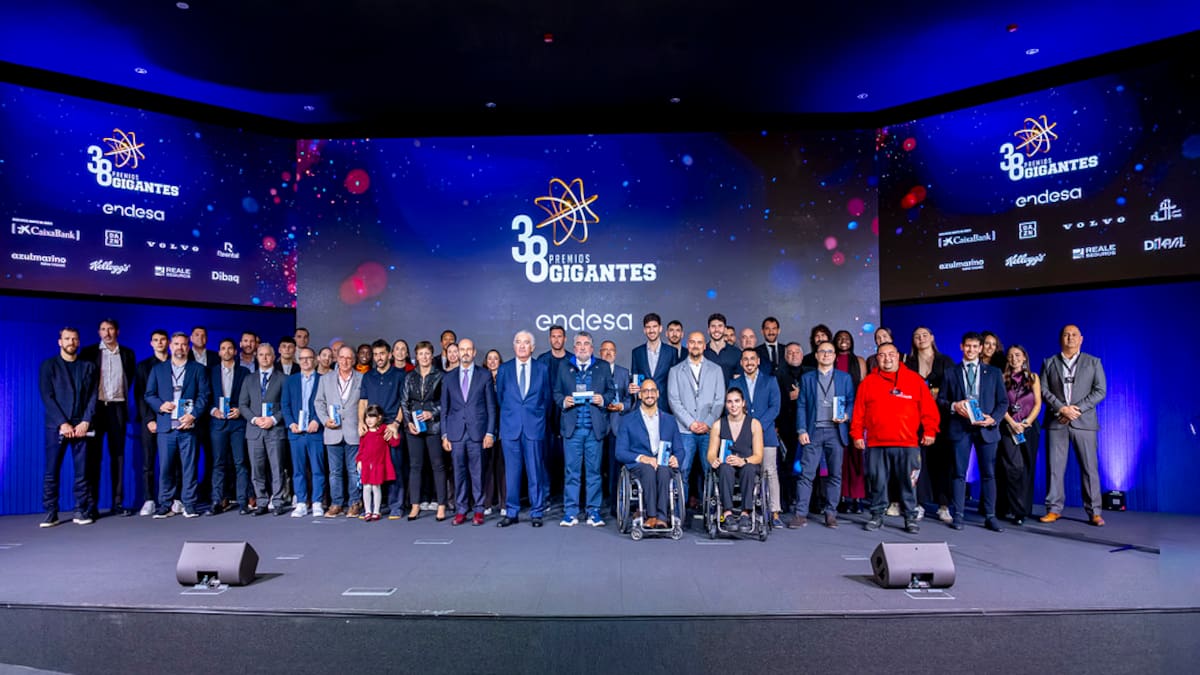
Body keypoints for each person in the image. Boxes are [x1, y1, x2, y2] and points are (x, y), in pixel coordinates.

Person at [850, 343, 939, 534]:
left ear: (898, 356)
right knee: (878, 481)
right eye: (882, 355)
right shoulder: (868, 382)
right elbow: (858, 412)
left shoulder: (914, 380)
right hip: (876, 443)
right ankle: (877, 516)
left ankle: (910, 517)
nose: (887, 358)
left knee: (908, 482)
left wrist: (930, 431)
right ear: (877, 358)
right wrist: (857, 434)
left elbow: (929, 409)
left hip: (908, 443)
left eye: (891, 354)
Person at [939, 332, 1008, 532]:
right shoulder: (951, 372)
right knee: (958, 473)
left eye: (975, 346)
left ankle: (990, 516)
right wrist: (954, 405)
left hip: (986, 428)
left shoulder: (993, 372)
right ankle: (958, 515)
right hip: (960, 428)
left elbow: (1003, 402)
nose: (971, 350)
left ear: (981, 349)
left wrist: (993, 418)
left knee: (988, 474)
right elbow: (941, 400)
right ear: (961, 347)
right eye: (967, 346)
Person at [1040, 325, 1107, 526]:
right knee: (1054, 468)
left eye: (1074, 335)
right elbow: (1043, 390)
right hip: (1057, 422)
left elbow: (1100, 390)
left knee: (1089, 468)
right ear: (1060, 338)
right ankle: (1053, 509)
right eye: (1066, 335)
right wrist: (1061, 409)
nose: (1070, 338)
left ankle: (1094, 512)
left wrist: (1077, 409)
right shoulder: (1049, 362)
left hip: (1084, 422)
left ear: (1081, 339)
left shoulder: (1093, 362)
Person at [554, 331, 617, 527]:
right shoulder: (564, 366)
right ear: (574, 348)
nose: (582, 347)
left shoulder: (603, 366)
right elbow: (556, 392)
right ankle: (571, 512)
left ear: (592, 348)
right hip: (572, 430)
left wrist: (603, 399)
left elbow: (611, 391)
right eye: (579, 344)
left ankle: (593, 512)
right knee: (571, 472)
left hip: (594, 429)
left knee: (594, 473)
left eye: (586, 344)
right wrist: (563, 401)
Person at [145, 332, 210, 518]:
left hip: (188, 426)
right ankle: (165, 504)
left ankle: (189, 504)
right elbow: (149, 394)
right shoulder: (158, 369)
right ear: (170, 346)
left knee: (189, 467)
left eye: (183, 344)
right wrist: (160, 405)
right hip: (166, 426)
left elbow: (204, 395)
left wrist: (193, 415)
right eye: (176, 344)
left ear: (188, 347)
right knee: (165, 467)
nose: (180, 347)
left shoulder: (198, 369)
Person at [38, 327, 98, 527]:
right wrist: (62, 423)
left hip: (82, 426)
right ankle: (51, 512)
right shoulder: (48, 366)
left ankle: (81, 510)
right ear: (60, 342)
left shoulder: (88, 366)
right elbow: (47, 396)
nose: (71, 342)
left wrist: (86, 421)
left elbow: (92, 396)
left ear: (78, 342)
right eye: (67, 339)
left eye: (74, 339)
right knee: (51, 471)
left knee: (83, 473)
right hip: (57, 427)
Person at [791, 340, 854, 529]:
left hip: (836, 432)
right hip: (813, 431)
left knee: (835, 475)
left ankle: (831, 514)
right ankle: (800, 514)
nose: (826, 354)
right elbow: (801, 405)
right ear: (816, 355)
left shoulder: (844, 378)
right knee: (806, 475)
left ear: (835, 356)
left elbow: (851, 401)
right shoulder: (807, 378)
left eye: (830, 351)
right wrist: (801, 430)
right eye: (822, 351)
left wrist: (846, 415)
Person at [79, 318, 137, 518]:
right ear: (99, 332)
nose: (107, 333)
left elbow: (129, 380)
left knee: (118, 456)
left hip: (117, 408)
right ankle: (91, 505)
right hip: (95, 409)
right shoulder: (88, 352)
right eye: (103, 329)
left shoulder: (128, 354)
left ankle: (117, 503)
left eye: (110, 329)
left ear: (117, 331)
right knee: (93, 457)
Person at [495, 330, 553, 527]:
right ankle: (511, 512)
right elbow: (500, 398)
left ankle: (537, 512)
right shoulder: (504, 369)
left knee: (535, 472)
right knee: (512, 473)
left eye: (526, 342)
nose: (521, 346)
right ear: (514, 346)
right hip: (510, 428)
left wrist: (536, 418)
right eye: (518, 342)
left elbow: (546, 399)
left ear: (532, 347)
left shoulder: (542, 369)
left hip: (533, 428)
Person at [441, 338, 496, 526]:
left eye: (468, 349)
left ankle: (479, 509)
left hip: (477, 432)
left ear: (474, 352)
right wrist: (444, 435)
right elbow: (445, 408)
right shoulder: (448, 377)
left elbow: (491, 407)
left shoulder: (484, 375)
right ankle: (461, 509)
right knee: (459, 473)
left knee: (477, 472)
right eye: (462, 349)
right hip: (455, 433)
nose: (465, 352)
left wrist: (490, 433)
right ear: (457, 352)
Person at [667, 331, 726, 507]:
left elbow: (719, 400)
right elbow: (674, 400)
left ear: (704, 346)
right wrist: (691, 423)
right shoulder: (675, 371)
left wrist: (707, 423)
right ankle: (680, 513)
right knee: (682, 470)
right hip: (685, 430)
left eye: (699, 342)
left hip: (709, 431)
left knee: (710, 470)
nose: (695, 346)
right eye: (692, 342)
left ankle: (711, 512)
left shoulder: (716, 370)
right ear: (688, 345)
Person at [904, 326, 955, 523]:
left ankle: (944, 505)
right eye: (917, 336)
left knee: (943, 461)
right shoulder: (907, 362)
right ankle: (919, 504)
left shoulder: (945, 361)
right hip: (915, 419)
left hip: (942, 418)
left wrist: (939, 394)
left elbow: (954, 387)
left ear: (932, 338)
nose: (921, 338)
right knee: (918, 462)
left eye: (925, 335)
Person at [615, 379, 683, 529]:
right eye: (645, 391)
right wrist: (643, 458)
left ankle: (662, 518)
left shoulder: (670, 420)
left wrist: (676, 458)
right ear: (640, 395)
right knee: (648, 470)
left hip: (663, 463)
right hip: (640, 465)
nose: (649, 394)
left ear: (658, 394)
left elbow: (679, 449)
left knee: (664, 470)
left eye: (652, 391)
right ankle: (651, 516)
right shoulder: (627, 420)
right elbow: (620, 452)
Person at [730, 348, 782, 527]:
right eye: (745, 359)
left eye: (752, 359)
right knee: (747, 471)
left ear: (758, 361)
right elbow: (732, 407)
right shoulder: (734, 383)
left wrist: (758, 426)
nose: (749, 362)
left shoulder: (770, 381)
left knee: (770, 471)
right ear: (741, 363)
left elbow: (775, 407)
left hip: (766, 434)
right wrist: (747, 428)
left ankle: (775, 513)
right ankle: (747, 510)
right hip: (742, 435)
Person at [238, 343, 287, 516]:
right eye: (261, 355)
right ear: (256, 357)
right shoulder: (249, 379)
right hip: (254, 430)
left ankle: (278, 501)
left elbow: (287, 405)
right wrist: (255, 419)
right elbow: (242, 405)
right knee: (257, 469)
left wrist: (273, 419)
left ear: (273, 357)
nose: (264, 358)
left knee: (277, 468)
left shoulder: (283, 379)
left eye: (268, 355)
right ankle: (261, 501)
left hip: (275, 429)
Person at [359, 339, 405, 520]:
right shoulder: (368, 376)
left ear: (389, 355)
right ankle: (372, 507)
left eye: (382, 354)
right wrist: (361, 422)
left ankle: (396, 506)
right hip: (371, 429)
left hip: (390, 427)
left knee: (394, 467)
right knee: (371, 469)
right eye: (376, 354)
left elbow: (404, 402)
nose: (379, 357)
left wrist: (396, 424)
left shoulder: (399, 375)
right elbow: (363, 401)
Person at [315, 345, 363, 518]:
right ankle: (336, 503)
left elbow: (365, 403)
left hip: (353, 432)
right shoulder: (325, 379)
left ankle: (354, 503)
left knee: (353, 471)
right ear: (337, 359)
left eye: (349, 358)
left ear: (354, 360)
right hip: (332, 431)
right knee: (334, 472)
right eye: (342, 357)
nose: (345, 361)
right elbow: (319, 402)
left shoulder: (361, 378)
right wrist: (324, 420)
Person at [707, 388, 764, 533]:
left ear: (743, 403)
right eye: (729, 402)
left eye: (737, 401)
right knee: (724, 468)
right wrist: (714, 460)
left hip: (747, 463)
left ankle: (745, 513)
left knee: (749, 468)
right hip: (726, 465)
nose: (733, 405)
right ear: (726, 404)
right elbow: (711, 453)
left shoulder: (754, 424)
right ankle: (727, 513)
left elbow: (759, 455)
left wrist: (743, 461)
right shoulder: (718, 425)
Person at [997, 345, 1042, 526]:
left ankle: (1023, 510)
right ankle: (1013, 508)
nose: (1014, 359)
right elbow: (1000, 404)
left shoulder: (1033, 378)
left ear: (1024, 357)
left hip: (1029, 427)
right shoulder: (1002, 378)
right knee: (1013, 468)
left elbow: (1038, 404)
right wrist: (1012, 423)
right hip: (1009, 427)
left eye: (1017, 355)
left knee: (1027, 469)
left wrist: (1026, 422)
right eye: (1010, 356)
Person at [402, 341, 446, 521]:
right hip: (414, 427)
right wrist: (408, 423)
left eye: (427, 353)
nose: (424, 357)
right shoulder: (409, 377)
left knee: (438, 465)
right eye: (421, 354)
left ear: (432, 355)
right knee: (415, 466)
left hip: (433, 426)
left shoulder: (440, 376)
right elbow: (404, 402)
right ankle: (415, 505)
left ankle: (441, 505)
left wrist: (432, 412)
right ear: (416, 357)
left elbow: (445, 402)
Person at [207, 338, 250, 515]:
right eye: (223, 348)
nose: (226, 351)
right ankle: (217, 500)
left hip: (238, 423)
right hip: (218, 423)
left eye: (230, 348)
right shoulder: (211, 372)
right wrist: (213, 410)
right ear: (219, 352)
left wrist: (240, 410)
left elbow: (249, 397)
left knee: (240, 463)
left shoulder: (244, 372)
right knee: (218, 463)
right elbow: (205, 395)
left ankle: (243, 501)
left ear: (235, 351)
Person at [283, 347, 326, 517]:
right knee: (298, 470)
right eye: (302, 358)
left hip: (315, 432)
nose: (306, 361)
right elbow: (285, 405)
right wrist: (291, 423)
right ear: (298, 360)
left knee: (318, 469)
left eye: (309, 358)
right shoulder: (290, 381)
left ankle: (317, 502)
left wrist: (317, 420)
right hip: (296, 432)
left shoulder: (323, 380)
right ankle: (301, 502)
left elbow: (326, 403)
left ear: (315, 360)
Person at [135, 329, 170, 516]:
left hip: (171, 420)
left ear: (168, 342)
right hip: (150, 421)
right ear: (151, 343)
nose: (159, 343)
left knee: (172, 462)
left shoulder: (176, 363)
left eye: (163, 340)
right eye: (156, 340)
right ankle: (149, 499)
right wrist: (149, 419)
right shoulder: (143, 367)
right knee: (148, 462)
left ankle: (173, 498)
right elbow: (141, 396)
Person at [773, 341, 810, 510]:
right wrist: (789, 397)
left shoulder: (811, 373)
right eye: (790, 352)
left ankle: (810, 502)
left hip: (808, 426)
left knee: (809, 464)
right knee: (786, 464)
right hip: (786, 426)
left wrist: (801, 395)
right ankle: (786, 500)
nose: (793, 355)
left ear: (802, 355)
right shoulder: (778, 375)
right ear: (785, 356)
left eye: (797, 352)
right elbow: (775, 401)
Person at [599, 340, 633, 515]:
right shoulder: (594, 371)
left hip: (617, 427)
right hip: (598, 426)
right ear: (599, 353)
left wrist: (622, 406)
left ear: (616, 353)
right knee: (596, 469)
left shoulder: (624, 373)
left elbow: (630, 399)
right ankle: (595, 507)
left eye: (611, 350)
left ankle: (615, 505)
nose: (608, 353)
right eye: (604, 350)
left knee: (615, 470)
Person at [356, 405, 398, 522]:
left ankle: (376, 511)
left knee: (376, 487)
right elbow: (361, 448)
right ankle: (367, 510)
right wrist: (359, 461)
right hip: (366, 464)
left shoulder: (383, 430)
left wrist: (395, 432)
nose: (369, 420)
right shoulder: (365, 432)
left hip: (378, 465)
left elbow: (394, 443)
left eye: (372, 417)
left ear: (379, 418)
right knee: (366, 487)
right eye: (367, 417)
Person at [630, 312, 676, 413]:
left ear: (660, 328)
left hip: (665, 406)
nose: (651, 330)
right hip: (643, 405)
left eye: (654, 326)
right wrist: (633, 388)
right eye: (648, 327)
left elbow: (675, 382)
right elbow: (635, 379)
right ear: (644, 330)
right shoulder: (637, 352)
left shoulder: (671, 352)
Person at [482, 349, 505, 514]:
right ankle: (488, 503)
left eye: (495, 358)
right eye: (489, 358)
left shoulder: (505, 379)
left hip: (503, 427)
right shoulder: (481, 378)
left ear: (500, 362)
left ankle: (504, 504)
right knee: (487, 466)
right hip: (485, 429)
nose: (492, 361)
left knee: (502, 467)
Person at [703, 313, 741, 382]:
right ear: (708, 330)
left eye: (720, 326)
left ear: (725, 330)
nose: (716, 329)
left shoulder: (736, 353)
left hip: (729, 389)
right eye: (713, 326)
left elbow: (739, 380)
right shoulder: (702, 353)